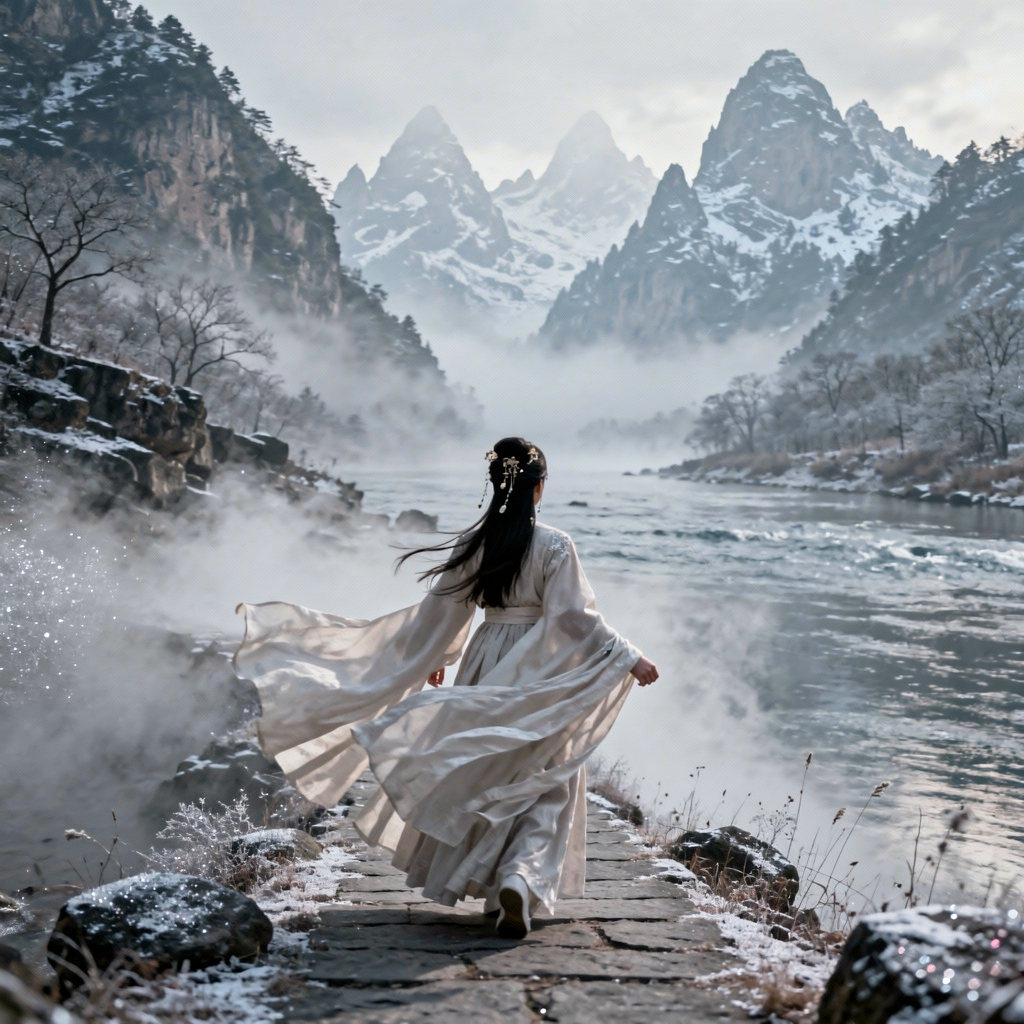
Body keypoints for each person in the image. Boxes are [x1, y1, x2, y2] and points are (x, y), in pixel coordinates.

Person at [234, 437, 658, 939]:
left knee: (485, 770)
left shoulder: (474, 545)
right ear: (537, 490)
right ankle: (519, 878)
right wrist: (629, 656)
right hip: (540, 669)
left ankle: (494, 878)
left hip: (485, 660)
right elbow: (570, 617)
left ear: (496, 485)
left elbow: (445, 611)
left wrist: (435, 658)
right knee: (544, 778)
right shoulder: (555, 546)